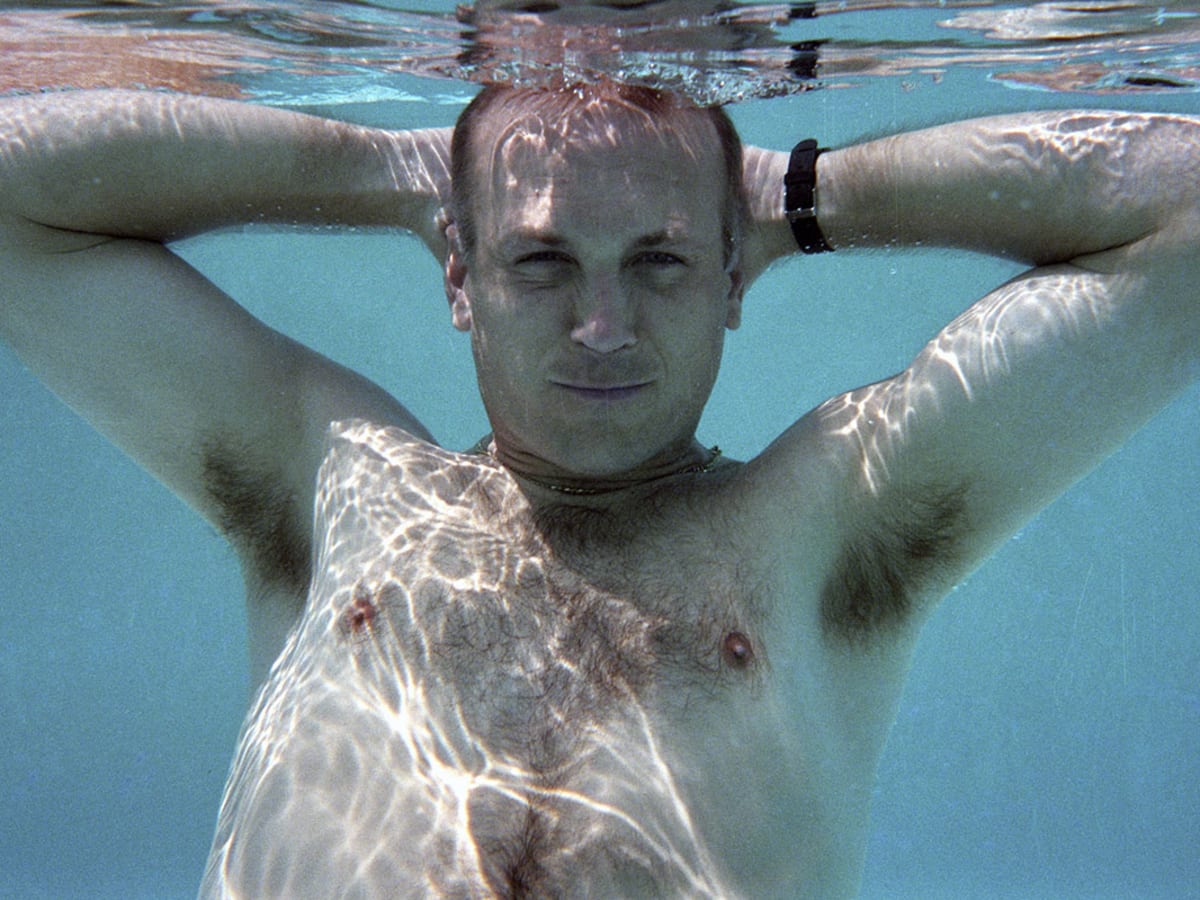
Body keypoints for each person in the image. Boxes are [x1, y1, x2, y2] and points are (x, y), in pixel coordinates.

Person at [0, 81, 1196, 897]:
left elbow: (1183, 208)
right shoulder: (327, 480)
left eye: (661, 260)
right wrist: (403, 172)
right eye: (542, 258)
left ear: (736, 273)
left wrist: (795, 197)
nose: (604, 326)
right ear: (459, 273)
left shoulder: (836, 524)